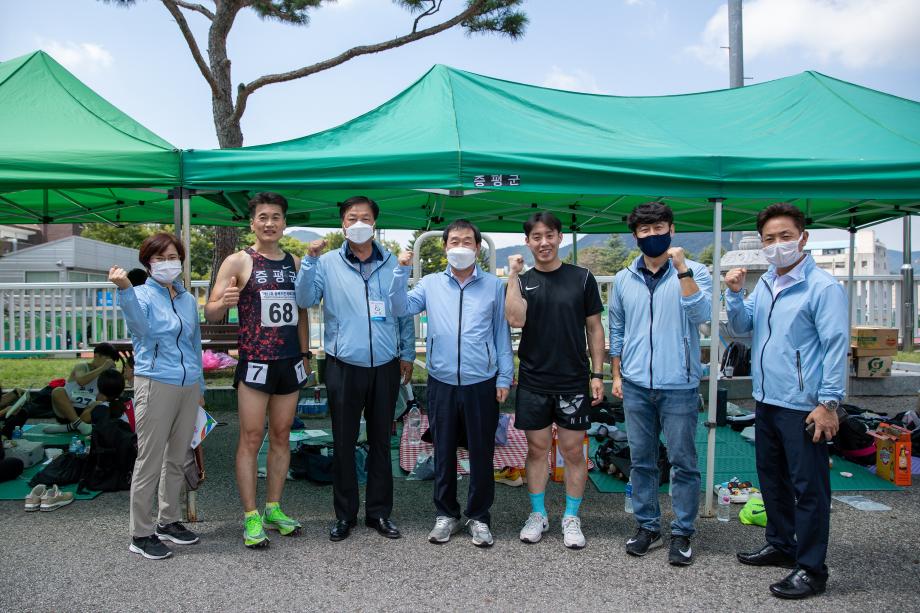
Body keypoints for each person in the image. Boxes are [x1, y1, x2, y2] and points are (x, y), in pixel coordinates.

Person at [725, 203, 847, 600]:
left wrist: (829, 403)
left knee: (809, 488)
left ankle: (811, 569)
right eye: (769, 239)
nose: (777, 245)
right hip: (766, 399)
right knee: (772, 478)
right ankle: (781, 544)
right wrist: (734, 295)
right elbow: (742, 330)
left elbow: (835, 346)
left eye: (785, 237)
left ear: (803, 238)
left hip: (804, 404)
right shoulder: (766, 283)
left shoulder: (822, 287)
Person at [295, 195, 415, 542]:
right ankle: (344, 515)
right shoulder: (326, 262)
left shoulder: (393, 261)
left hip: (385, 364)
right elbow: (304, 299)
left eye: (365, 218)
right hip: (343, 364)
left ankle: (379, 513)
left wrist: (407, 353)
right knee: (344, 441)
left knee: (381, 441)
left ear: (375, 223)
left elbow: (402, 310)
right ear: (342, 224)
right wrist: (308, 261)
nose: (358, 223)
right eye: (351, 218)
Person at [390, 219, 513, 548]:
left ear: (477, 247)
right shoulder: (430, 284)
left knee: (482, 451)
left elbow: (500, 334)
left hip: (482, 381)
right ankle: (446, 514)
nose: (460, 246)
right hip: (441, 380)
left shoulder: (493, 285)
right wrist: (401, 272)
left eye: (467, 241)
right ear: (445, 247)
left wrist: (504, 376)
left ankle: (479, 516)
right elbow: (400, 307)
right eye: (454, 241)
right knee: (443, 450)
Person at [609, 202, 712, 566]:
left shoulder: (696, 271)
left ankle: (683, 531)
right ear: (635, 235)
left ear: (671, 229)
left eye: (658, 228)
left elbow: (702, 315)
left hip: (680, 384)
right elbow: (616, 328)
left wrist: (683, 270)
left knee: (684, 461)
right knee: (642, 460)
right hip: (636, 383)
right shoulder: (624, 279)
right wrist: (617, 375)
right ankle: (647, 525)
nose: (652, 235)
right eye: (644, 230)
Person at [206, 192, 311, 549]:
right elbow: (210, 312)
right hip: (255, 362)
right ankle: (250, 516)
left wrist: (305, 353)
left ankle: (274, 508)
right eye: (263, 217)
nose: (269, 223)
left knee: (282, 435)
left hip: (289, 361)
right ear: (252, 223)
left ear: (284, 223)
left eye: (276, 217)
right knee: (251, 437)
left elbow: (301, 312)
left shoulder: (294, 262)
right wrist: (224, 302)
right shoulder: (238, 261)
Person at [504, 212, 605, 550]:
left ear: (560, 237)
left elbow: (594, 328)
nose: (543, 242)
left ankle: (572, 517)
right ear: (528, 242)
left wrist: (598, 374)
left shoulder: (582, 277)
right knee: (537, 449)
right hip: (534, 379)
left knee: (573, 451)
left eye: (549, 235)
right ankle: (538, 513)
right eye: (536, 237)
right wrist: (513, 275)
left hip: (573, 380)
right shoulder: (523, 280)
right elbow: (515, 319)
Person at [110, 232, 205, 561]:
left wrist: (200, 387)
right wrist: (125, 289)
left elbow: (194, 343)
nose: (168, 263)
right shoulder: (139, 295)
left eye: (173, 257)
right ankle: (141, 533)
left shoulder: (187, 299)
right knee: (149, 460)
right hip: (155, 382)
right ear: (148, 263)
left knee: (177, 457)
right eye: (160, 258)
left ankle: (168, 520)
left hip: (188, 385)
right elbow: (140, 330)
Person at [47, 343, 119, 433]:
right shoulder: (81, 366)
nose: (109, 364)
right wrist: (103, 368)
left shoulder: (106, 373)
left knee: (101, 402)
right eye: (108, 360)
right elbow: (81, 381)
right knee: (58, 391)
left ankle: (71, 427)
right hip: (68, 409)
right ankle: (77, 425)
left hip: (87, 411)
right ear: (96, 356)